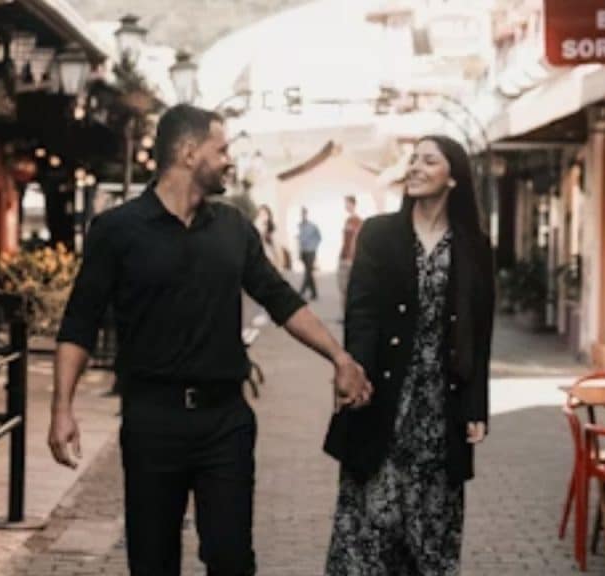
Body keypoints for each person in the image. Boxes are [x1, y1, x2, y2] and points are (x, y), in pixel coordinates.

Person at [48, 104, 372, 576]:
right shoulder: (117, 230)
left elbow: (282, 300)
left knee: (232, 560)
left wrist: (339, 357)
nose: (228, 160)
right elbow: (79, 323)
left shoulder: (234, 229)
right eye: (220, 150)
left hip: (225, 422)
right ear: (187, 152)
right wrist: (62, 409)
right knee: (152, 563)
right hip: (152, 420)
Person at [323, 135, 496, 576]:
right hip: (383, 402)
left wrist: (476, 405)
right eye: (413, 160)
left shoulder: (474, 245)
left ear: (453, 178)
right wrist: (355, 373)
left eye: (429, 161)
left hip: (440, 411)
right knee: (368, 536)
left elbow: (480, 331)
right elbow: (361, 313)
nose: (416, 167)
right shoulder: (379, 234)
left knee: (430, 539)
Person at [337, 195, 363, 314]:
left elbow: (355, 240)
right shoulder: (348, 220)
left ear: (353, 204)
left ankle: (349, 314)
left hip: (349, 258)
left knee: (347, 287)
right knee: (343, 287)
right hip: (344, 256)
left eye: (347, 203)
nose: (345, 206)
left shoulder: (356, 221)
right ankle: (346, 314)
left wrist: (351, 257)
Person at [297, 207, 321, 300]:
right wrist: (299, 253)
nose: (303, 215)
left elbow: (319, 237)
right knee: (309, 272)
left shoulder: (312, 226)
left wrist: (314, 246)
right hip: (303, 252)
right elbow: (299, 241)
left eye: (304, 213)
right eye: (302, 213)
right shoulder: (300, 226)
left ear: (307, 214)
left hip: (311, 252)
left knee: (308, 272)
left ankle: (301, 292)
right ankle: (314, 293)